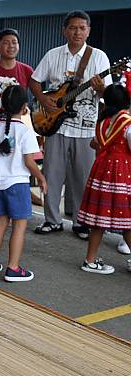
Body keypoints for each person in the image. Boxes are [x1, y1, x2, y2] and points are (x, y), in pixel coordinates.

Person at [29, 10, 112, 238]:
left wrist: (100, 88)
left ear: (89, 31)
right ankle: (52, 220)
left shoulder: (99, 58)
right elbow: (35, 80)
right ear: (65, 30)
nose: (77, 32)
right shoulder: (53, 55)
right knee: (52, 174)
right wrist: (44, 99)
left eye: (82, 28)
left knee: (82, 178)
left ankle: (80, 221)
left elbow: (109, 94)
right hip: (55, 125)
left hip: (86, 127)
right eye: (73, 27)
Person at [0, 85, 47, 282]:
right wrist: (41, 177)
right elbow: (29, 162)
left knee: (0, 223)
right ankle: (13, 268)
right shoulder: (25, 132)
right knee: (19, 226)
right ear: (25, 107)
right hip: (17, 185)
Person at [0, 29, 34, 225]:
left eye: (14, 42)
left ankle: (11, 208)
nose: (11, 46)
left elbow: (35, 96)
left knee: (16, 166)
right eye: (6, 42)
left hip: (18, 127)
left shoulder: (27, 71)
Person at [77, 84, 131, 274]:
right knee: (127, 219)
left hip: (101, 170)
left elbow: (96, 143)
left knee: (99, 218)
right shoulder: (126, 121)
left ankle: (90, 260)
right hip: (121, 173)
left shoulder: (102, 121)